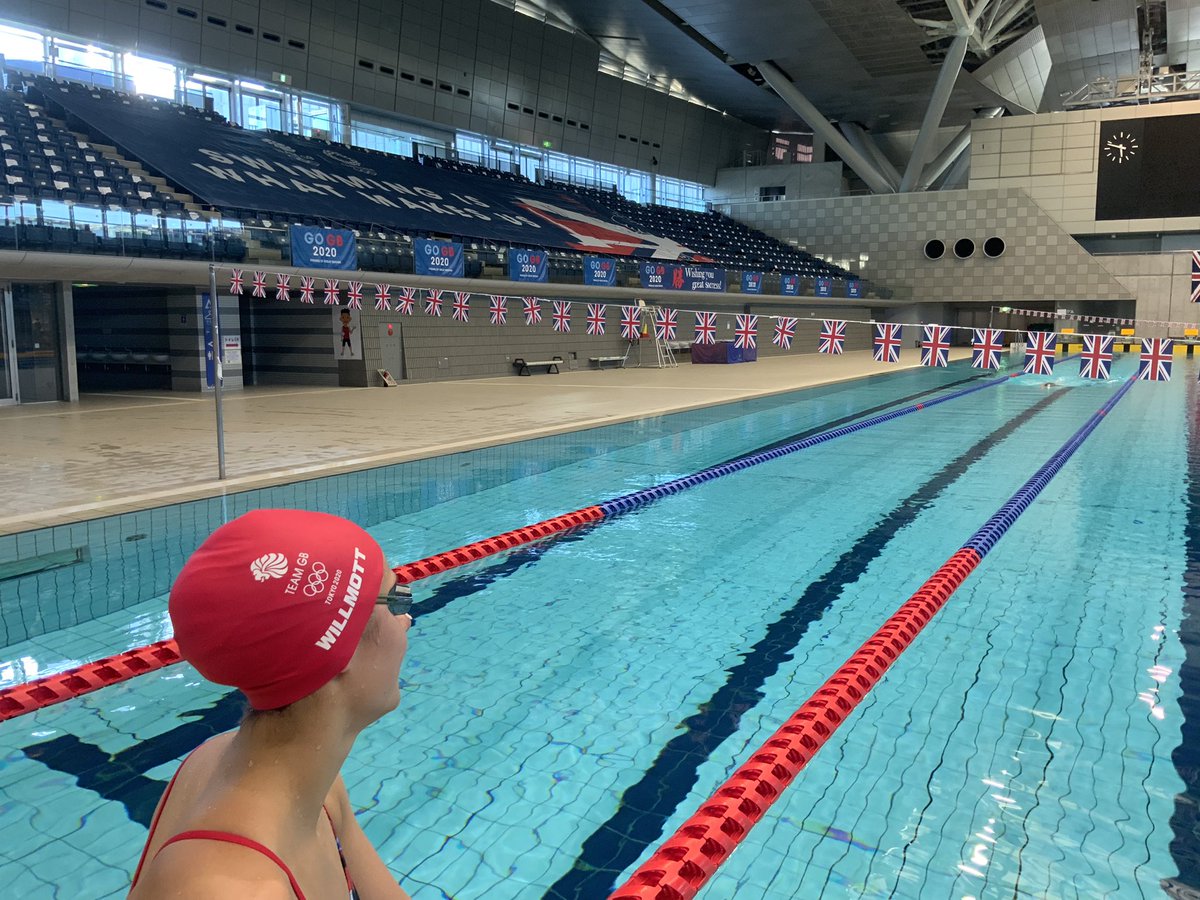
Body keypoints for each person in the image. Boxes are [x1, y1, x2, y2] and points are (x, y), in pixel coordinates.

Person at [128, 509, 413, 899]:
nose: (406, 621)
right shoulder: (224, 890)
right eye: (395, 601)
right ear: (339, 653)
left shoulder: (315, 790)